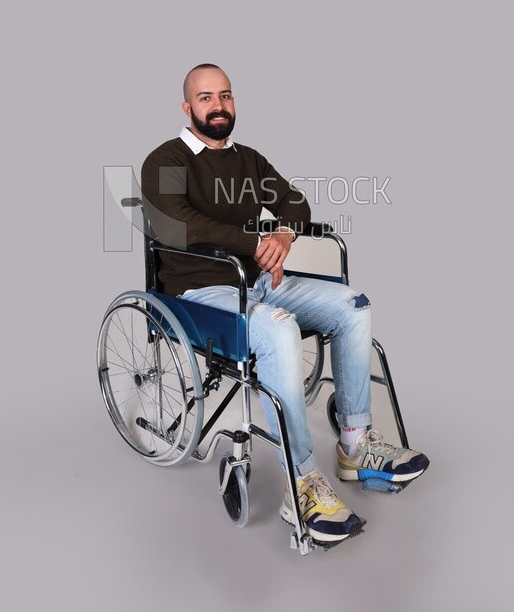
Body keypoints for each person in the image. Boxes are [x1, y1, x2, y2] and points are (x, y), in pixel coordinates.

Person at [141, 63, 429, 545]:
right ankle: (303, 483)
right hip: (200, 293)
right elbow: (177, 224)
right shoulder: (166, 159)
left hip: (260, 282)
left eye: (226, 96)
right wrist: (250, 244)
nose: (218, 106)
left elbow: (295, 202)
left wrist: (282, 231)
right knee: (278, 329)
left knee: (352, 304)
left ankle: (356, 445)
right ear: (187, 107)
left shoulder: (248, 160)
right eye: (206, 97)